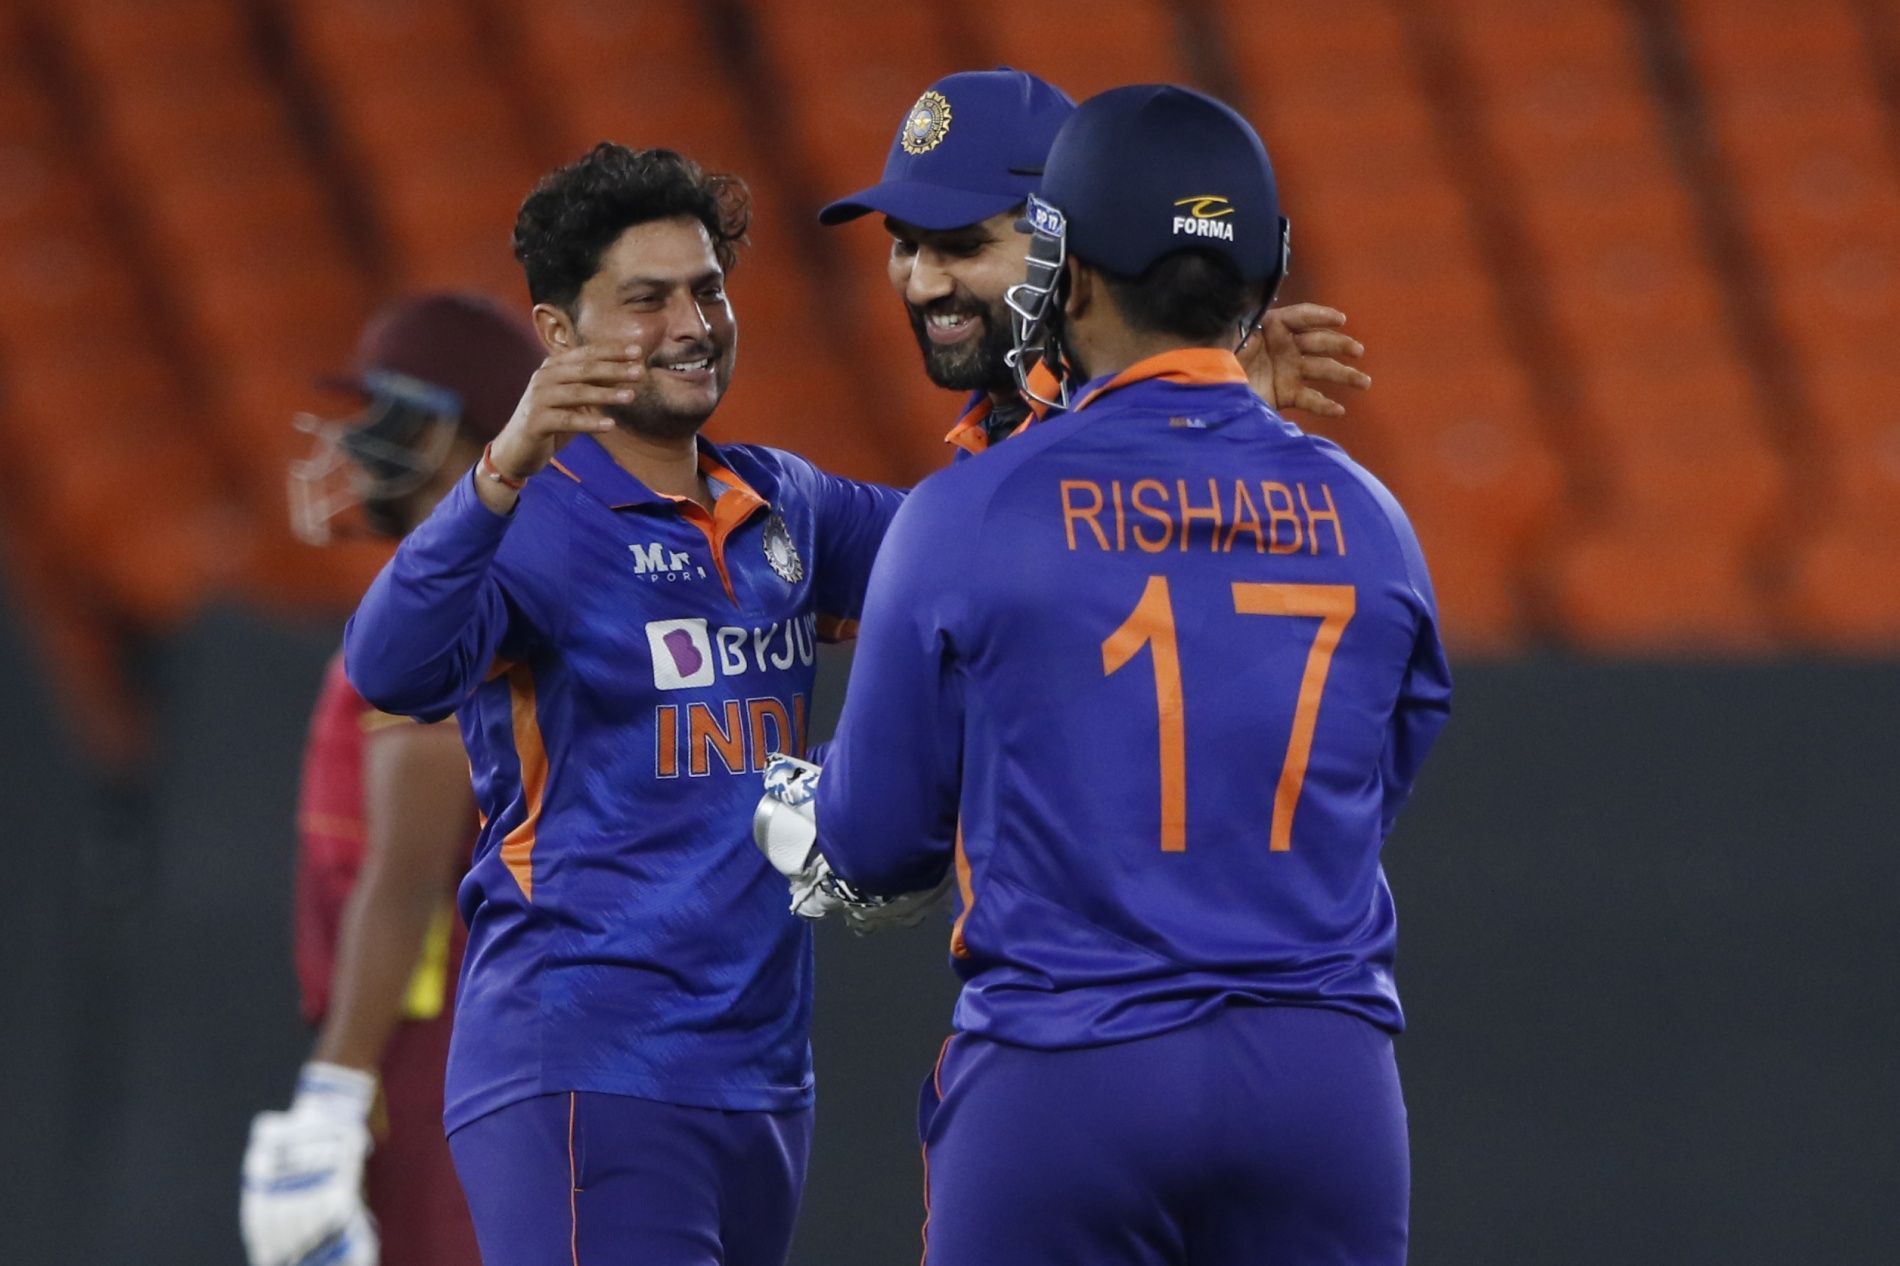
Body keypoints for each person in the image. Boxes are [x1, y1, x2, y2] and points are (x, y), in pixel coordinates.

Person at [773, 85, 1452, 1265]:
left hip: (1067, 1071)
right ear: (1264, 271)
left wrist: (802, 812)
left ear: (1064, 272)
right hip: (1322, 1085)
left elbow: (878, 843)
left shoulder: (969, 514)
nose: (927, 278)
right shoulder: (1372, 516)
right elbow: (1365, 782)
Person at [340, 144, 905, 1266]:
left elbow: (984, 561)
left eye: (707, 288)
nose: (695, 323)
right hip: (587, 1060)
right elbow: (388, 666)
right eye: (647, 300)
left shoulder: (783, 501)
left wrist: (1175, 411)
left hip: (759, 1077)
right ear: (560, 336)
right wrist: (498, 470)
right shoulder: (529, 521)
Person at [241, 294, 544, 1266]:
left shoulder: (455, 604)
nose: (356, 439)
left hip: (443, 1046)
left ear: (458, 437)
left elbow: (407, 878)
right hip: (455, 1042)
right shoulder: (468, 585)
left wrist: (331, 1094)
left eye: (387, 411)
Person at [818, 67, 1371, 459]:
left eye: (964, 247)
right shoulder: (1002, 420)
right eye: (905, 247)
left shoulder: (1106, 435)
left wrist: (1211, 426)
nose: (920, 286)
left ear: (1064, 243)